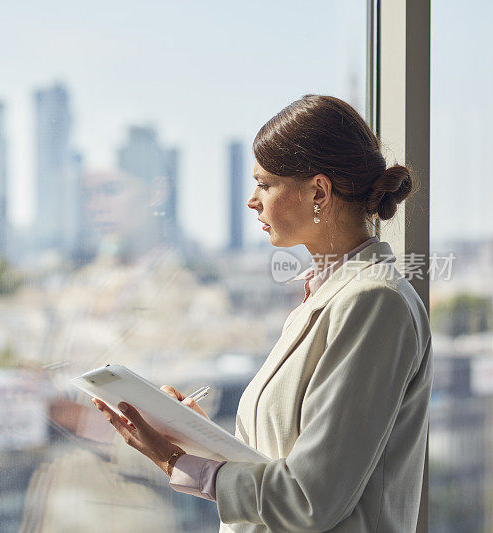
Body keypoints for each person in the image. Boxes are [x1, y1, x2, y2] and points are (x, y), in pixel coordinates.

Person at [93, 94, 433, 532]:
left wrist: (174, 460)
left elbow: (309, 500)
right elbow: (281, 462)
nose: (253, 200)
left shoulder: (373, 303)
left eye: (266, 183)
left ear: (318, 191)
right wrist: (198, 437)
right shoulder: (324, 297)